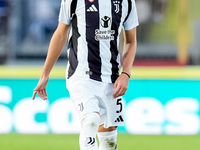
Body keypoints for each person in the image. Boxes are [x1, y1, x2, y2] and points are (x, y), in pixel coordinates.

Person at [32, 0, 138, 149]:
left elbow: (131, 41)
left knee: (109, 139)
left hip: (112, 78)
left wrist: (126, 74)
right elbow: (61, 34)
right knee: (90, 121)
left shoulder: (126, 2)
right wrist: (45, 75)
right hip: (81, 74)